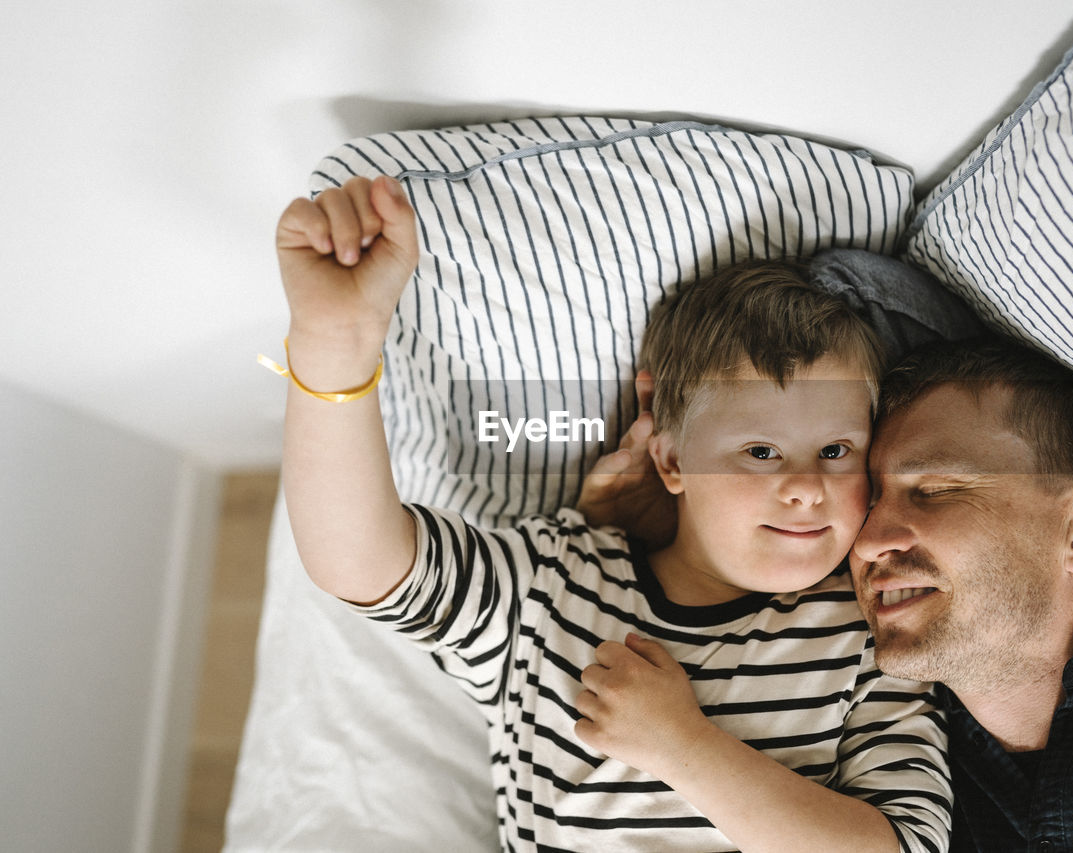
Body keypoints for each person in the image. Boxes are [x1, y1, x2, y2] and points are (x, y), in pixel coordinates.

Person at [274, 175, 951, 852]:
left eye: (835, 449)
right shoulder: (557, 583)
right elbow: (361, 561)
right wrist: (334, 351)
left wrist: (683, 747)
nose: (806, 486)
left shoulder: (866, 628)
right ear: (672, 461)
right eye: (761, 450)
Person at [582, 336, 1073, 851]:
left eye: (935, 489)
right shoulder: (870, 760)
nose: (867, 539)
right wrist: (654, 543)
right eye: (870, 500)